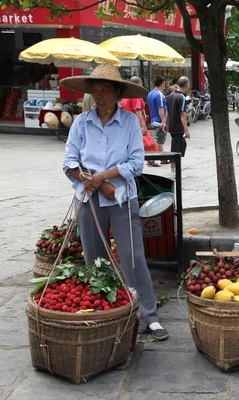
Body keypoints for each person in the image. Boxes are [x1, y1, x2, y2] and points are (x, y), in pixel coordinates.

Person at [60, 64, 168, 341]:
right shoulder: (82, 122)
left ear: (118, 92)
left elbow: (136, 163)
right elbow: (69, 162)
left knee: (133, 257)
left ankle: (148, 315)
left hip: (122, 199)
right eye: (95, 91)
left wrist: (104, 178)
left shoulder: (130, 121)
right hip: (89, 200)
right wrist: (97, 184)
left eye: (105, 90)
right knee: (94, 259)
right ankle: (106, 313)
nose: (99, 95)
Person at [121, 77, 158, 167]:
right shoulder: (136, 96)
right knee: (147, 144)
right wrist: (143, 126)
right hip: (135, 125)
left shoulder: (126, 96)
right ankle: (148, 160)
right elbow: (137, 110)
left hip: (127, 124)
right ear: (138, 84)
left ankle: (148, 161)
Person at [164, 76, 190, 179]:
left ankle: (175, 171)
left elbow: (168, 111)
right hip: (178, 127)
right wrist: (186, 129)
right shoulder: (182, 97)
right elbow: (182, 114)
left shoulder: (171, 96)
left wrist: (165, 123)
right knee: (177, 150)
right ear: (187, 85)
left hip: (172, 125)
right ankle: (175, 172)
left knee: (177, 147)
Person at [147, 76, 168, 154]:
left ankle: (158, 157)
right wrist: (163, 121)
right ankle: (160, 157)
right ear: (162, 83)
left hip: (153, 119)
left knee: (157, 139)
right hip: (159, 120)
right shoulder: (159, 94)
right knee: (159, 141)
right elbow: (160, 108)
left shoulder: (150, 93)